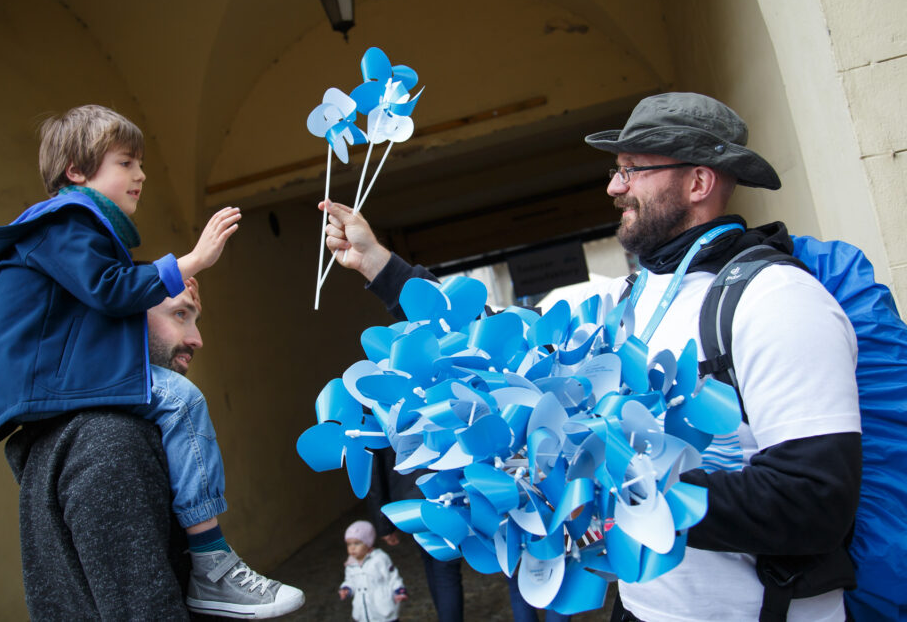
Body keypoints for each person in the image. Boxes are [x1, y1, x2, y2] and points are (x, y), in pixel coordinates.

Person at [320, 92, 861, 622]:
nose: (613, 187)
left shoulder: (776, 300)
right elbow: (495, 343)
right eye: (616, 170)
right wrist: (379, 265)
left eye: (632, 171)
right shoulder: (629, 298)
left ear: (698, 182)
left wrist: (616, 483)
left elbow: (814, 501)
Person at [0, 105, 302, 618]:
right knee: (181, 400)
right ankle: (212, 560)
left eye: (140, 164)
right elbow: (111, 291)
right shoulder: (66, 222)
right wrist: (191, 260)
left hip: (51, 385)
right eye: (125, 163)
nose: (140, 174)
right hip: (53, 381)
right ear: (76, 170)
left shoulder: (72, 234)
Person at [367, 448, 464, 622]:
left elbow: (373, 468)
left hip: (410, 503)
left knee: (432, 564)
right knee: (445, 570)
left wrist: (384, 524)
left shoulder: (383, 428)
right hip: (444, 494)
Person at [339, 520, 407, 622]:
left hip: (383, 609)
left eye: (357, 543)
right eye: (349, 544)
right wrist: (347, 588)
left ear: (368, 543)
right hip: (363, 611)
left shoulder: (379, 558)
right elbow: (350, 580)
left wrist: (399, 590)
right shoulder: (350, 564)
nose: (352, 548)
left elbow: (392, 576)